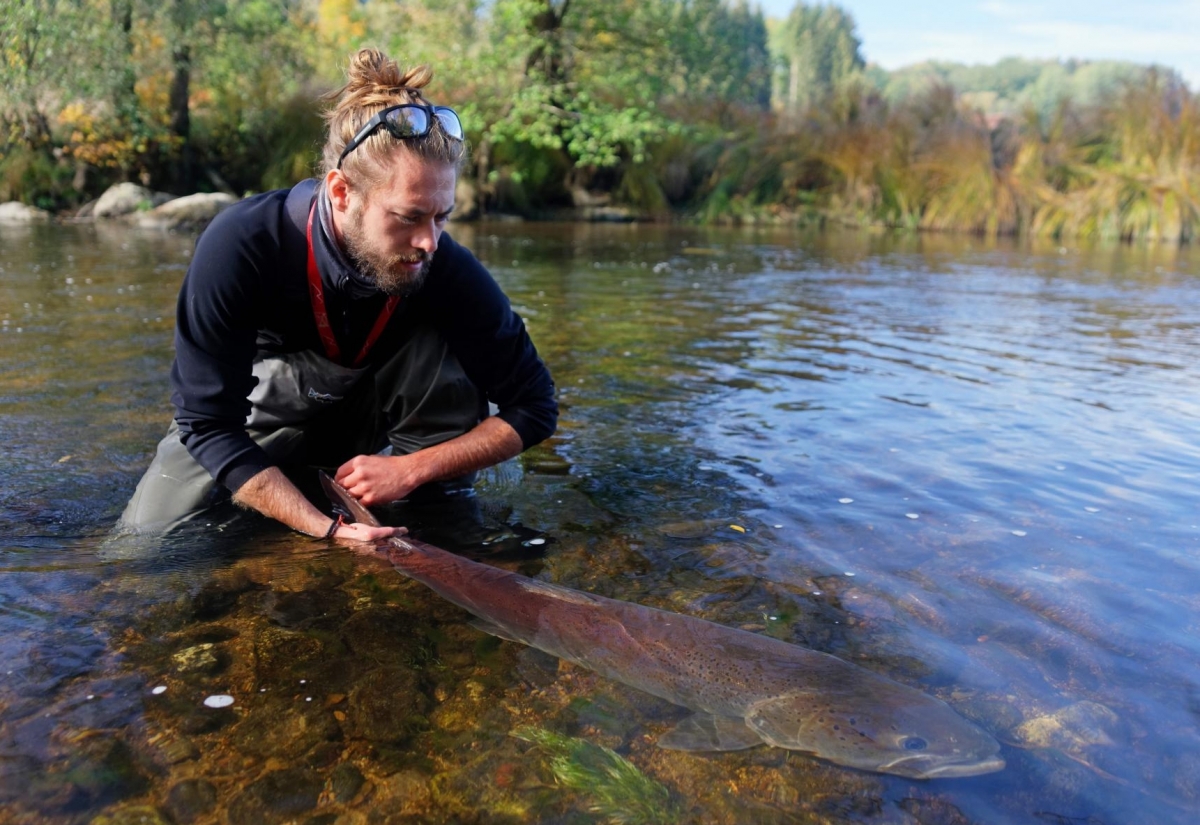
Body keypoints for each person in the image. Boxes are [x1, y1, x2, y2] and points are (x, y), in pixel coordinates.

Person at [119, 48, 557, 541]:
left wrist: (413, 469)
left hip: (383, 437)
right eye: (409, 217)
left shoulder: (445, 264)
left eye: (443, 216)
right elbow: (208, 424)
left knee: (440, 347)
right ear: (342, 192)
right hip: (264, 419)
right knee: (142, 551)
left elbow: (535, 406)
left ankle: (436, 510)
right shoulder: (242, 244)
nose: (430, 242)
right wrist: (324, 530)